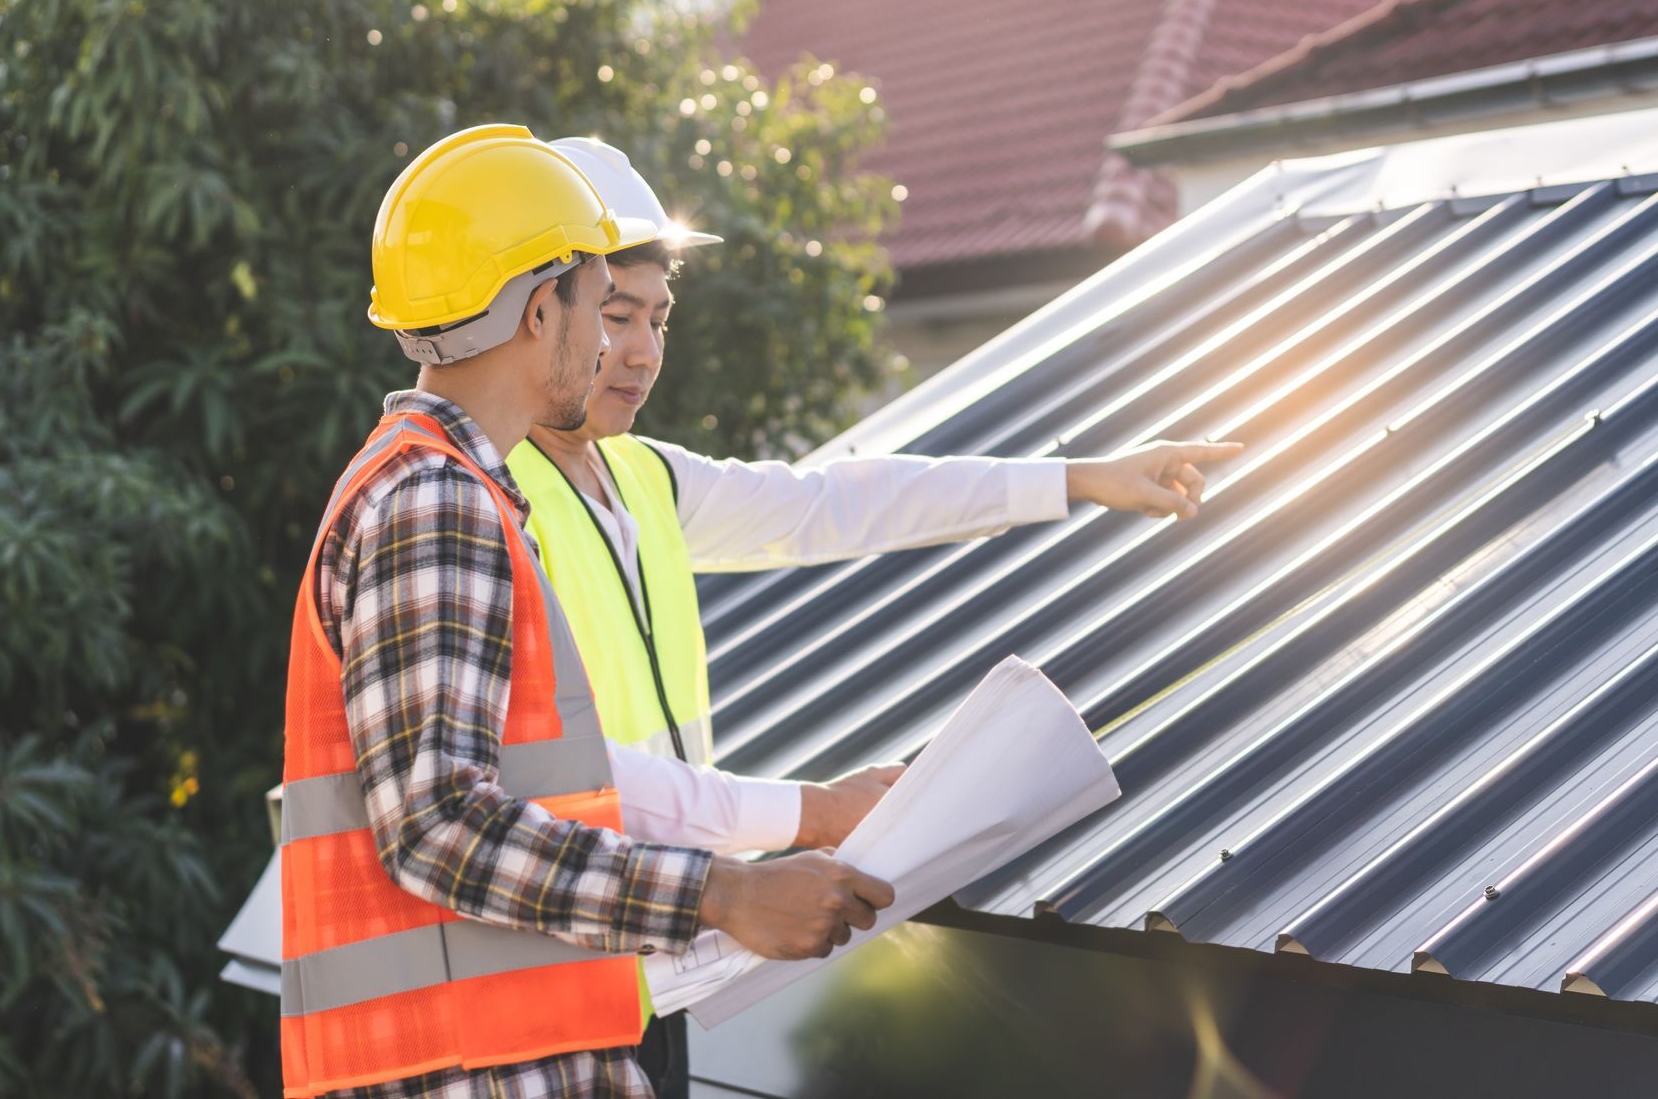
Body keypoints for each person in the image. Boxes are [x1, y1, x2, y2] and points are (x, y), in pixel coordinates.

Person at [510, 138, 1245, 1097]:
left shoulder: (642, 477)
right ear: (544, 312)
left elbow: (841, 501)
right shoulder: (491, 501)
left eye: (659, 317)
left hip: (649, 973)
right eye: (616, 316)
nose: (643, 351)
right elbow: (566, 772)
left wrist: (1076, 479)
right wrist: (808, 812)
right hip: (550, 984)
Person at [278, 123, 894, 1099]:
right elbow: (438, 824)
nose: (614, 341)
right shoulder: (436, 502)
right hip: (464, 1068)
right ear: (537, 310)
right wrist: (721, 890)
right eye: (597, 304)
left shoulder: (452, 491)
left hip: (493, 1056)